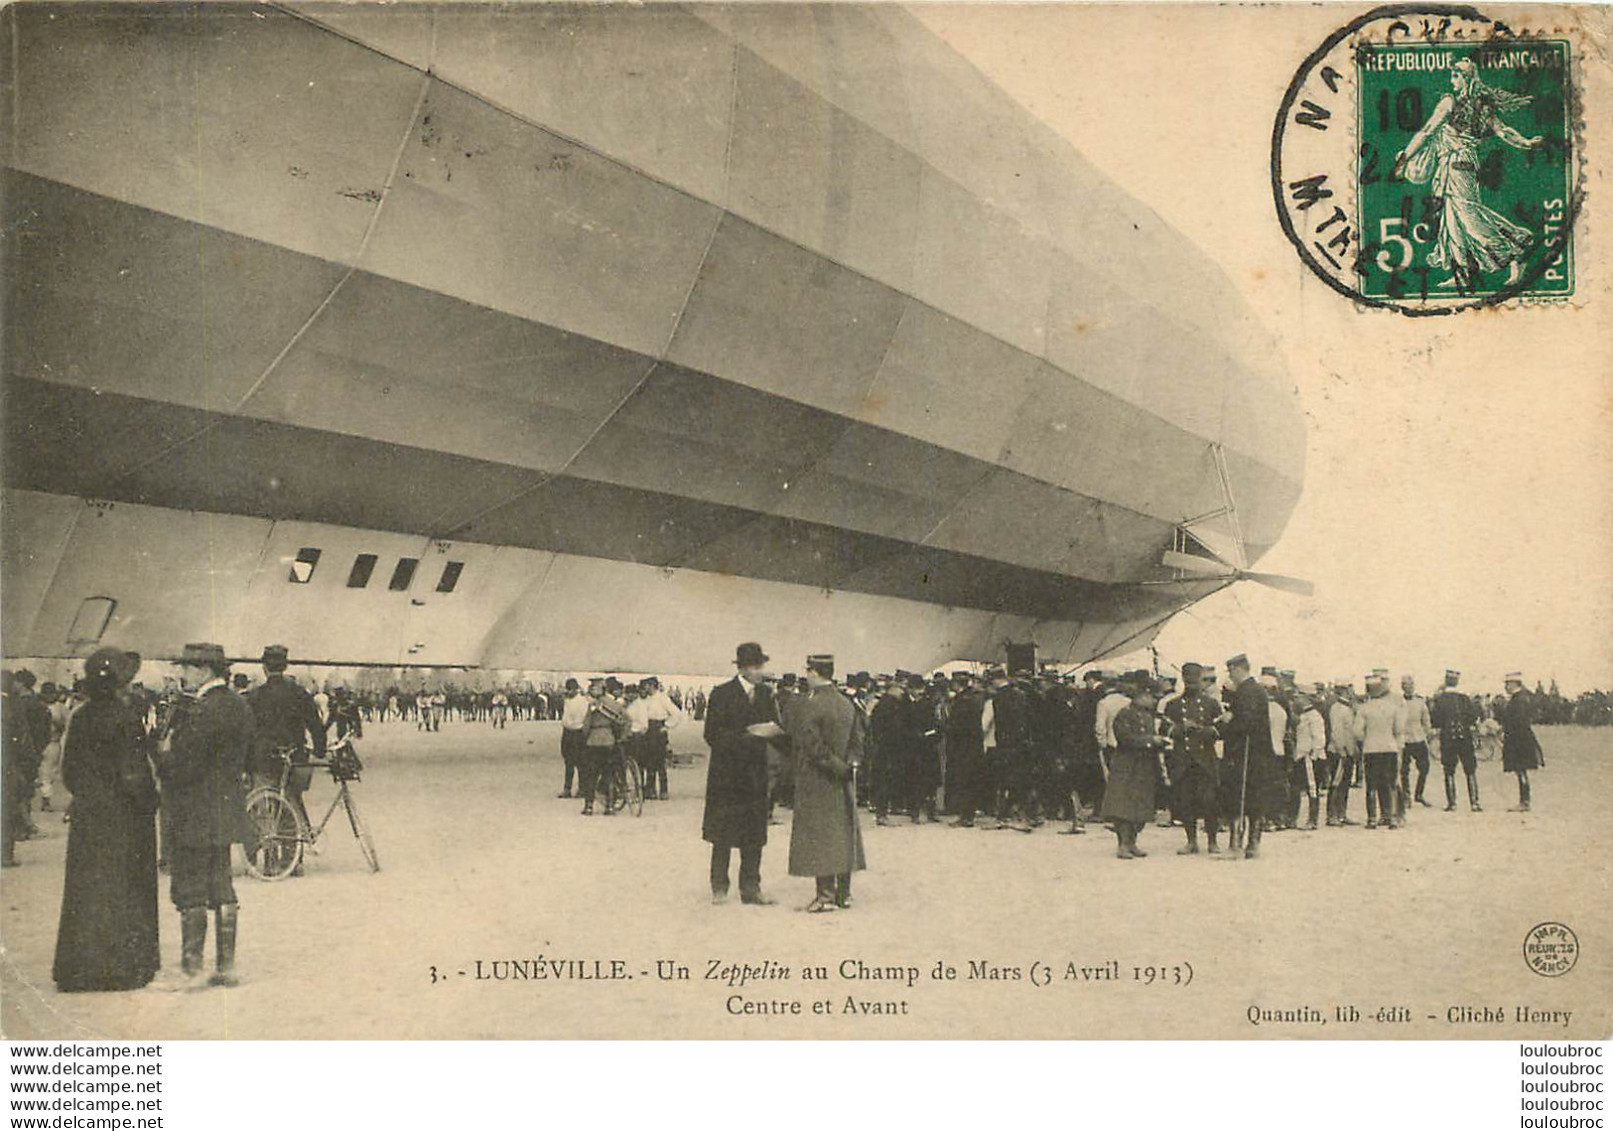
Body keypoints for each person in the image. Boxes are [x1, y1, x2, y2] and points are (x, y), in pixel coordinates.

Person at [52, 648, 160, 993]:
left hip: (88, 818)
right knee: (121, 890)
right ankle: (118, 968)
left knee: (85, 891)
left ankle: (78, 968)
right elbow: (134, 775)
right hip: (123, 820)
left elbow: (68, 772)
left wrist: (88, 795)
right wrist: (149, 801)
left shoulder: (81, 717)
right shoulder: (125, 718)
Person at [1393, 58, 1544, 289]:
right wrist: (1525, 142)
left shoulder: (1449, 102)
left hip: (1457, 164)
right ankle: (1461, 273)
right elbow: (1504, 132)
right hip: (1458, 164)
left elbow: (1427, 130)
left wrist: (1406, 155)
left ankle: (1515, 255)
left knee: (1469, 218)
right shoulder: (1482, 106)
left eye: (1455, 76)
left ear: (1466, 78)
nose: (1451, 80)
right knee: (1452, 221)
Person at [156, 642, 254, 990]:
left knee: (192, 886)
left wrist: (164, 755)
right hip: (225, 808)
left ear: (203, 671)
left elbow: (184, 764)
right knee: (222, 884)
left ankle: (191, 969)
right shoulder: (240, 704)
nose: (182, 674)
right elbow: (250, 756)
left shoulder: (202, 710)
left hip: (195, 808)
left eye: (187, 668)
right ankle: (225, 967)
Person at [786, 655, 866, 912]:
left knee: (820, 836)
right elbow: (858, 741)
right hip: (844, 781)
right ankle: (845, 894)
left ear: (815, 672)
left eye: (808, 670)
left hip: (818, 779)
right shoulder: (847, 703)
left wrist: (835, 767)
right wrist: (850, 766)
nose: (806, 675)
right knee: (843, 833)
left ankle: (825, 896)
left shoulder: (810, 705)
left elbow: (812, 745)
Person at [702, 643, 779, 905]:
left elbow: (774, 726)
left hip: (755, 774)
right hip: (727, 775)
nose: (761, 672)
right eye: (757, 667)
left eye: (761, 666)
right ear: (744, 668)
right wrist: (745, 737)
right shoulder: (721, 694)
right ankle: (719, 887)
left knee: (754, 834)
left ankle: (751, 888)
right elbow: (711, 734)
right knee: (722, 834)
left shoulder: (767, 695)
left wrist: (774, 733)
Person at [245, 645, 326, 847]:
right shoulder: (300, 694)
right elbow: (316, 726)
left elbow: (247, 732)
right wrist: (319, 750)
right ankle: (292, 858)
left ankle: (268, 859)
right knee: (291, 803)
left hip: (263, 760)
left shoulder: (255, 696)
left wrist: (246, 762)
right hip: (294, 758)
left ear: (264, 668)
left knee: (263, 807)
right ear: (285, 666)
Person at [1218, 654, 1281, 858]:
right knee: (1254, 799)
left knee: (1240, 797)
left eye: (1230, 671)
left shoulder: (1247, 692)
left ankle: (1237, 845)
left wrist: (1227, 721)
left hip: (1247, 754)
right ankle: (1252, 844)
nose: (1230, 675)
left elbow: (1245, 724)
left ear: (1238, 669)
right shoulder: (1255, 691)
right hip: (1257, 754)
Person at [1101, 676, 1167, 859]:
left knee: (1140, 807)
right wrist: (1150, 741)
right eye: (1153, 697)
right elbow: (1125, 739)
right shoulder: (1125, 714)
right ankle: (1122, 844)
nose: (1155, 701)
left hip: (1144, 766)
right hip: (1127, 765)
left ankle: (1132, 842)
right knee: (1124, 808)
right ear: (1143, 695)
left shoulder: (1147, 716)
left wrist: (1159, 743)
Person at [1167, 663, 1221, 854]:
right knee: (1185, 801)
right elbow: (1164, 729)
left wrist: (1203, 730)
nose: (1190, 683)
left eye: (1194, 679)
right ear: (1182, 679)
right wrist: (1181, 728)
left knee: (1209, 801)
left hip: (1204, 760)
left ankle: (1213, 841)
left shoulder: (1211, 704)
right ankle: (1191, 841)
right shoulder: (1172, 705)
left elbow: (1220, 730)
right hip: (1183, 760)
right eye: (1187, 679)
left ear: (1201, 679)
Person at [1353, 674, 1403, 830]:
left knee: (1372, 784)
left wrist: (1367, 739)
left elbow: (1357, 732)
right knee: (1391, 783)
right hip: (1389, 748)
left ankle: (1372, 818)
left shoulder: (1364, 708)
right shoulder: (1393, 707)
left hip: (1371, 749)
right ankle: (1392, 817)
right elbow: (1399, 730)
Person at [1430, 670, 1482, 811]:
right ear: (1457, 682)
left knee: (1449, 770)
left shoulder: (1440, 699)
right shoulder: (1464, 699)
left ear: (1446, 681)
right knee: (1470, 769)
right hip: (1465, 737)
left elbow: (1435, 720)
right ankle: (1474, 802)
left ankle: (1452, 804)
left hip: (1448, 738)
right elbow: (1472, 717)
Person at [1501, 671, 1543, 812]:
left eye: (1507, 684)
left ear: (1514, 684)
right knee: (1520, 771)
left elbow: (1518, 722)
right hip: (1522, 739)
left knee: (1520, 770)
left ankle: (1524, 802)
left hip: (1519, 740)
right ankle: (1524, 801)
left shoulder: (1518, 700)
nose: (1506, 686)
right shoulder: (1522, 698)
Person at [1397, 674, 1434, 811]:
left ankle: (1419, 794)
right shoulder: (1398, 702)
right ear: (1402, 687)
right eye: (1406, 685)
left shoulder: (1420, 701)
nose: (1409, 687)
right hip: (1404, 740)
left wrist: (1425, 734)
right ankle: (1407, 797)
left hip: (1418, 739)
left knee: (1425, 768)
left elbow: (1426, 721)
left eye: (1411, 684)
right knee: (1404, 770)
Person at [558, 678, 587, 798]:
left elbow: (581, 719)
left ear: (576, 689)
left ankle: (582, 788)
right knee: (568, 761)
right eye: (568, 689)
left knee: (580, 762)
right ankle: (567, 788)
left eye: (571, 690)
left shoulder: (582, 701)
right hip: (567, 732)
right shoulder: (567, 701)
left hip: (577, 732)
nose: (569, 692)